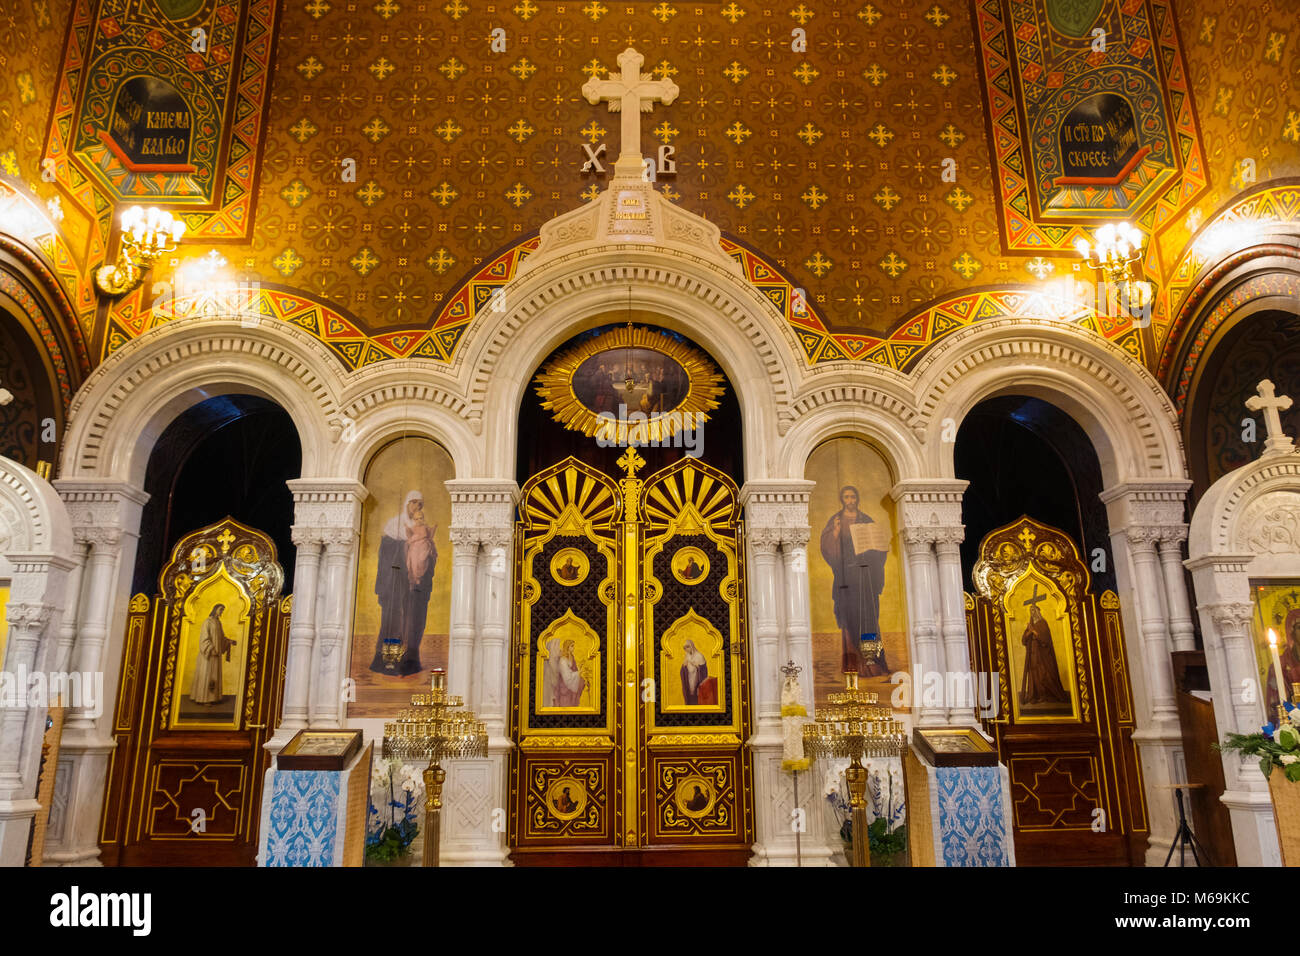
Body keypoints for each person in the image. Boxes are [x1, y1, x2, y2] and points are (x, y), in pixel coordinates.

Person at [819, 485, 890, 677]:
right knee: (850, 619)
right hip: (846, 579)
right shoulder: (836, 520)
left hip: (866, 578)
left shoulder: (866, 520)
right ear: (842, 500)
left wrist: (879, 546)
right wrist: (835, 532)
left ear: (857, 499)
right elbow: (827, 548)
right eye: (846, 497)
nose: (850, 501)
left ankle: (873, 661)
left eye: (852, 497)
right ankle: (855, 663)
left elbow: (880, 548)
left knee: (868, 619)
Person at [370, 490, 438, 676]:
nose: (416, 507)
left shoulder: (420, 526)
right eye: (413, 503)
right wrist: (404, 547)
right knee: (393, 620)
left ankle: (410, 660)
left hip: (414, 586)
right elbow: (386, 554)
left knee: (414, 620)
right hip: (395, 583)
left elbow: (430, 554)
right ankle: (386, 662)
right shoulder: (394, 525)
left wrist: (426, 551)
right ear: (407, 503)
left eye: (419, 504)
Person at [1019, 604, 1070, 705]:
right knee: (1035, 676)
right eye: (1031, 611)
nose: (1032, 613)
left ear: (1038, 612)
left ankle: (1048, 695)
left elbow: (1045, 639)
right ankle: (1037, 696)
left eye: (1034, 611)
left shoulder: (1043, 623)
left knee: (1044, 675)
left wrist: (1033, 631)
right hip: (1033, 656)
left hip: (1043, 656)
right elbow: (1024, 641)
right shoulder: (1030, 625)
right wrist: (1029, 632)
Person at [190, 603, 236, 704]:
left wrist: (229, 641)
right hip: (208, 656)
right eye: (220, 610)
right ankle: (204, 699)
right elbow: (204, 638)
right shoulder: (207, 622)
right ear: (215, 610)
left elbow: (221, 638)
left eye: (222, 611)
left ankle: (212, 698)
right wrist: (211, 649)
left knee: (213, 676)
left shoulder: (218, 623)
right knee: (207, 675)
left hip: (216, 656)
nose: (221, 612)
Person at [544, 638, 586, 707]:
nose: (573, 648)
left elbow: (573, 669)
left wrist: (579, 668)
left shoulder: (572, 657)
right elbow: (566, 677)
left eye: (573, 646)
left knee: (582, 681)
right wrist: (579, 673)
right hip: (564, 685)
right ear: (567, 647)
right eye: (572, 646)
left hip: (571, 682)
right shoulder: (563, 660)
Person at [680, 638, 709, 704]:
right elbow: (683, 669)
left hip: (696, 679)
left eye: (687, 647)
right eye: (684, 648)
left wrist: (697, 666)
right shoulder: (687, 656)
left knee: (696, 695)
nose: (686, 649)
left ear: (691, 646)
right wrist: (684, 667)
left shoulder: (699, 656)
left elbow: (703, 670)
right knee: (689, 695)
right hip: (689, 679)